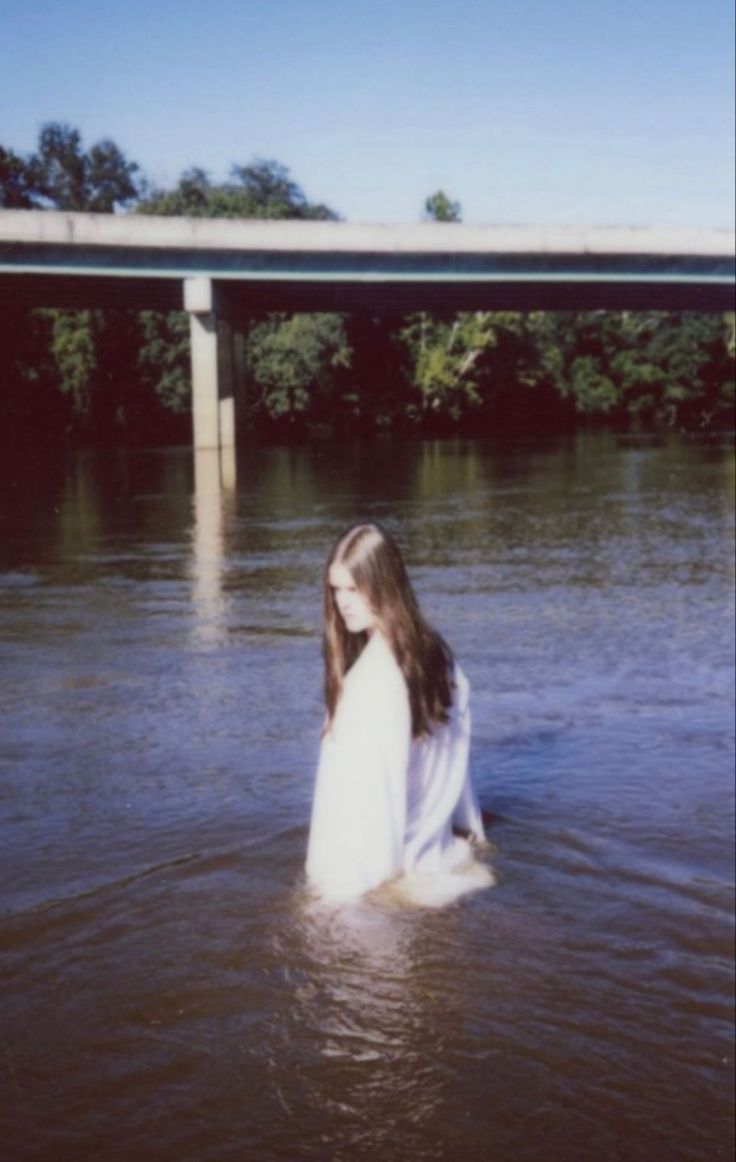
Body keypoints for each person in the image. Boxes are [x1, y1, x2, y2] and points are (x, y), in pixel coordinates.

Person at [305, 522, 491, 905]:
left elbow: (369, 803)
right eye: (335, 589)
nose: (342, 603)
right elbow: (459, 771)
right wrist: (473, 834)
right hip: (446, 861)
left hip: (390, 886)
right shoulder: (436, 655)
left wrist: (330, 898)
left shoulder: (369, 681)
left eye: (354, 588)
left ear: (385, 585)